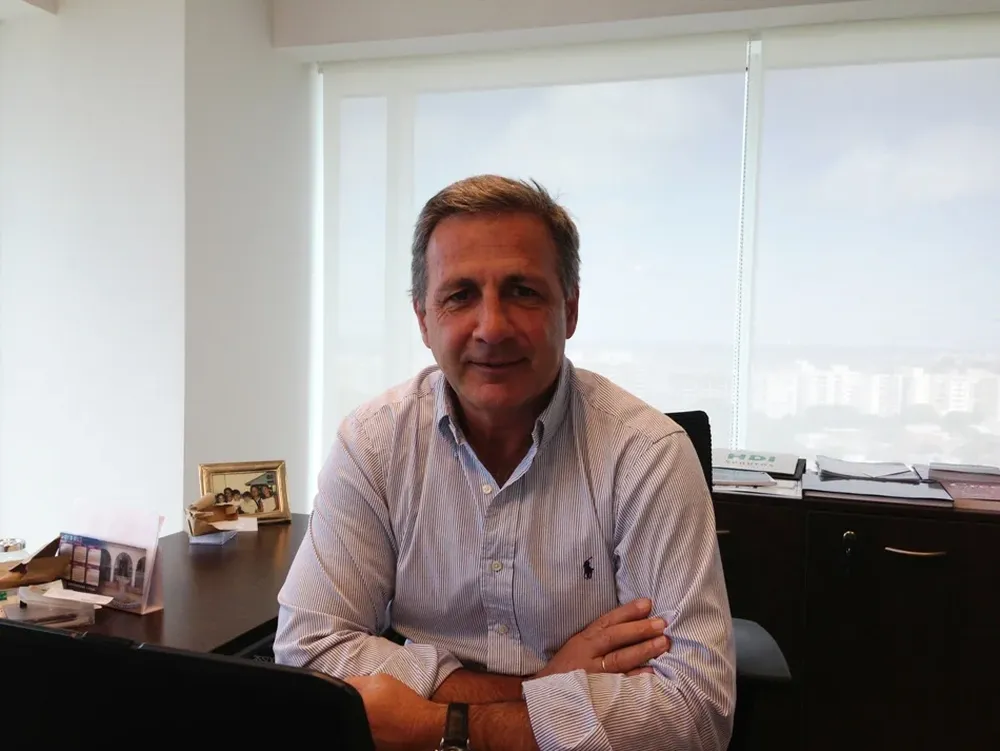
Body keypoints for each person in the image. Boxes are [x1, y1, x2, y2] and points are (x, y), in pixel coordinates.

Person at [274, 175, 735, 751]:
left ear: (569, 310)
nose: (491, 328)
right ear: (424, 319)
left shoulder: (647, 455)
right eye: (460, 295)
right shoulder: (373, 443)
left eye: (522, 291)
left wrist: (439, 724)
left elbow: (694, 711)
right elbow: (308, 649)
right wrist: (546, 689)